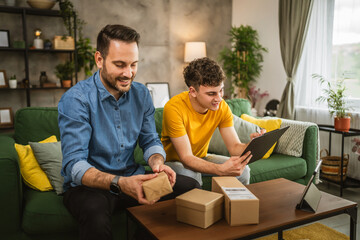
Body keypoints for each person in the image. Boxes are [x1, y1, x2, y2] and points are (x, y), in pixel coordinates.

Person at [58, 24, 199, 240]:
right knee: (94, 213)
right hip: (89, 187)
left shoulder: (141, 94)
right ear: (99, 59)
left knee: (190, 187)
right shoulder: (76, 100)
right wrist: (119, 183)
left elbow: (150, 140)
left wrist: (157, 164)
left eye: (133, 64)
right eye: (120, 64)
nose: (128, 73)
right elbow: (74, 165)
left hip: (132, 178)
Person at [161, 57, 265, 186]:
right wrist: (220, 169)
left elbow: (234, 148)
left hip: (201, 157)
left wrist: (253, 145)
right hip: (173, 162)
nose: (219, 98)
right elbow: (186, 158)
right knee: (191, 176)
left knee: (244, 171)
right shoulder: (174, 108)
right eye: (211, 94)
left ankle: (238, 205)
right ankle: (200, 206)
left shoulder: (221, 107)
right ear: (193, 91)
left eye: (221, 90)